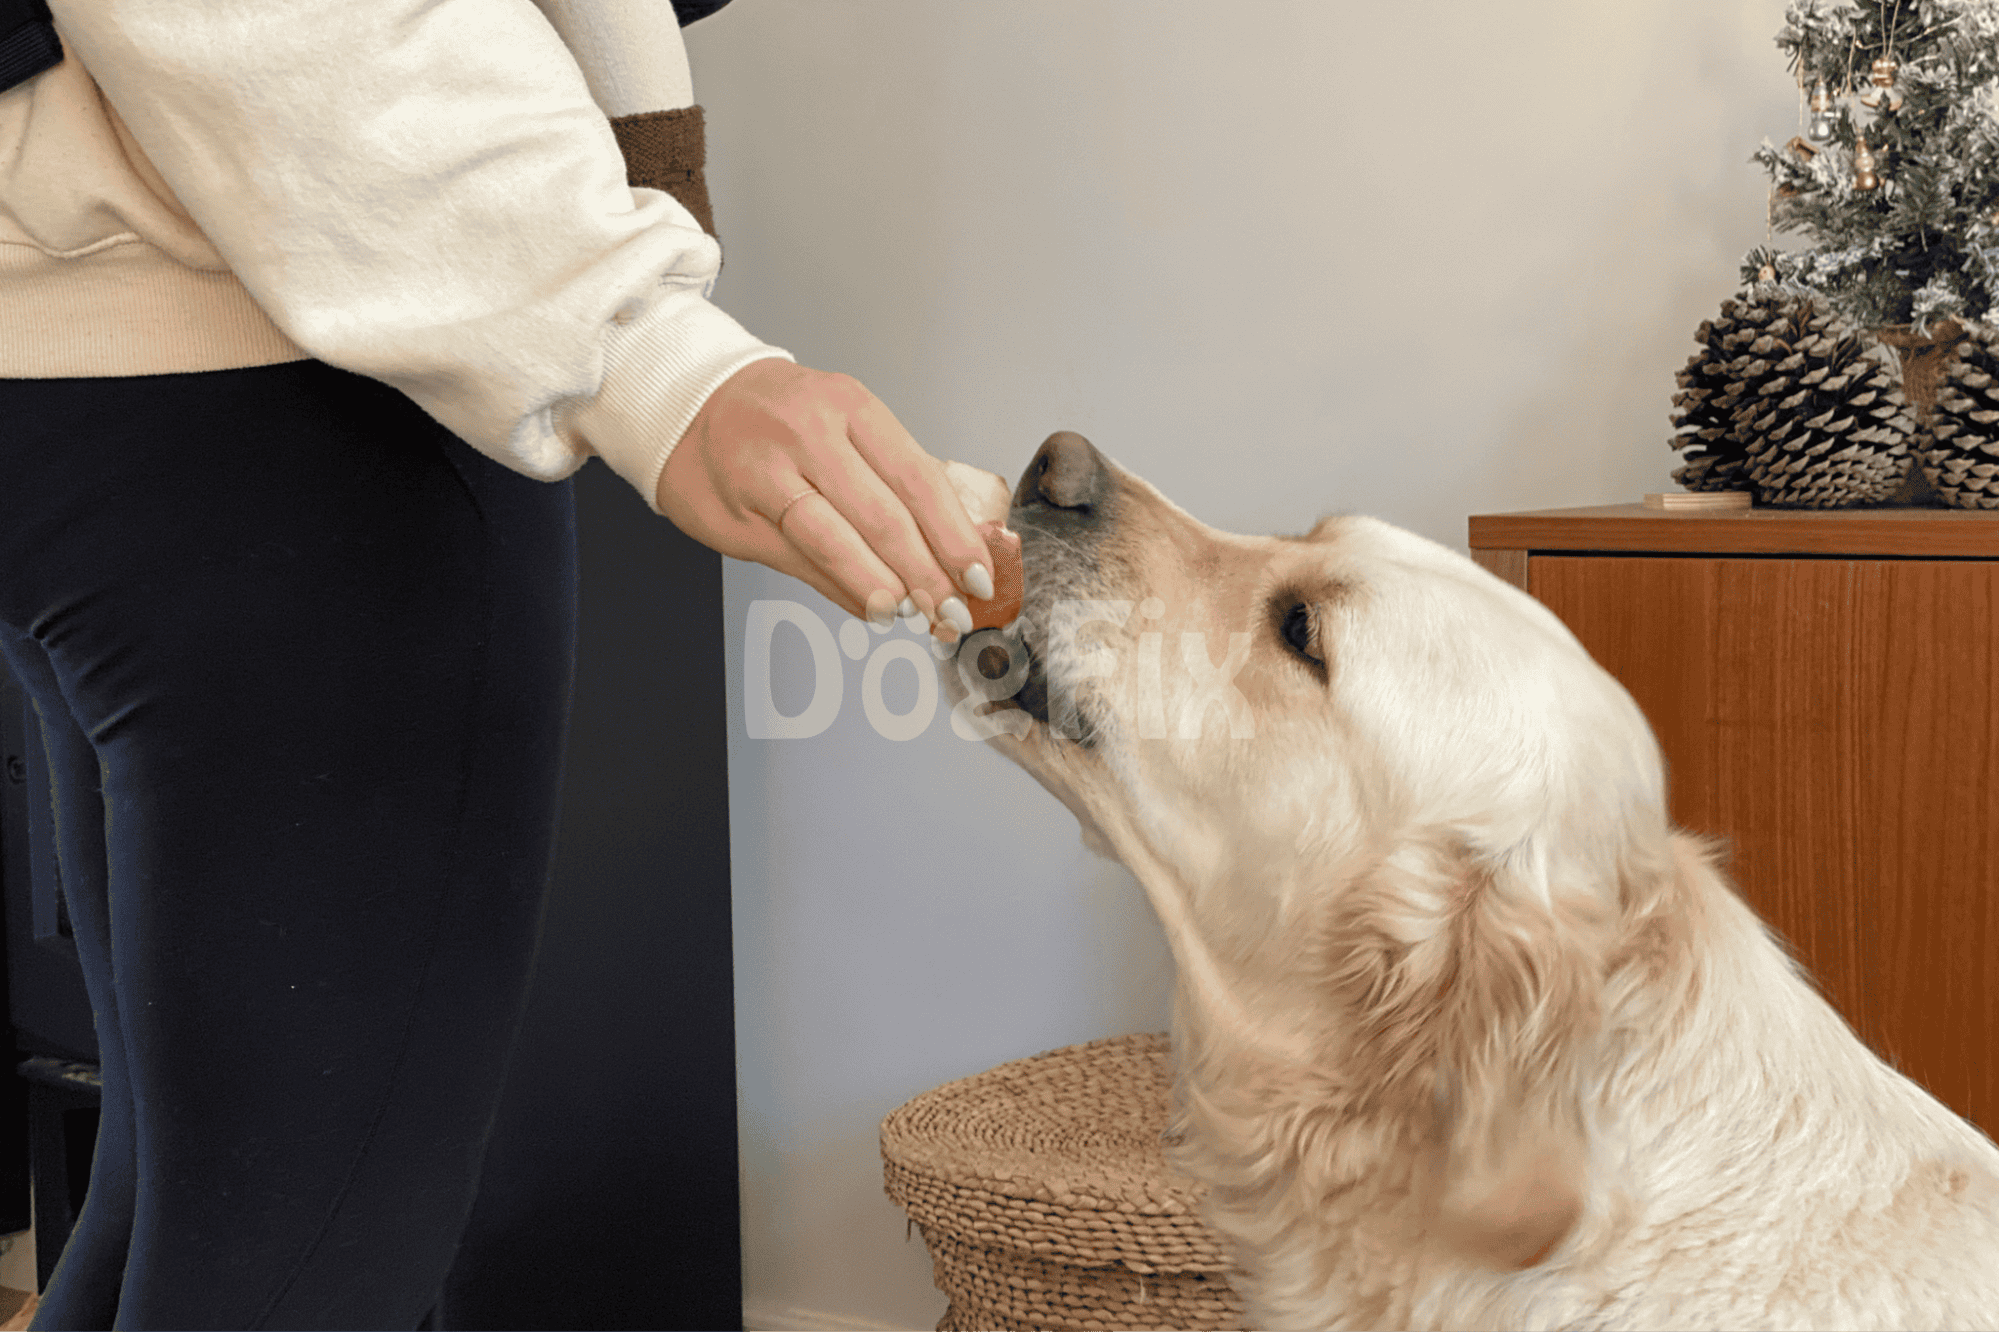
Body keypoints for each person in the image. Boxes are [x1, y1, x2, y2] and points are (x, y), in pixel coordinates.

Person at [0, 0, 986, 1326]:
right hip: (266, 395)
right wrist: (642, 347)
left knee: (190, 1218)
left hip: (99, 358)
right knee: (292, 1276)